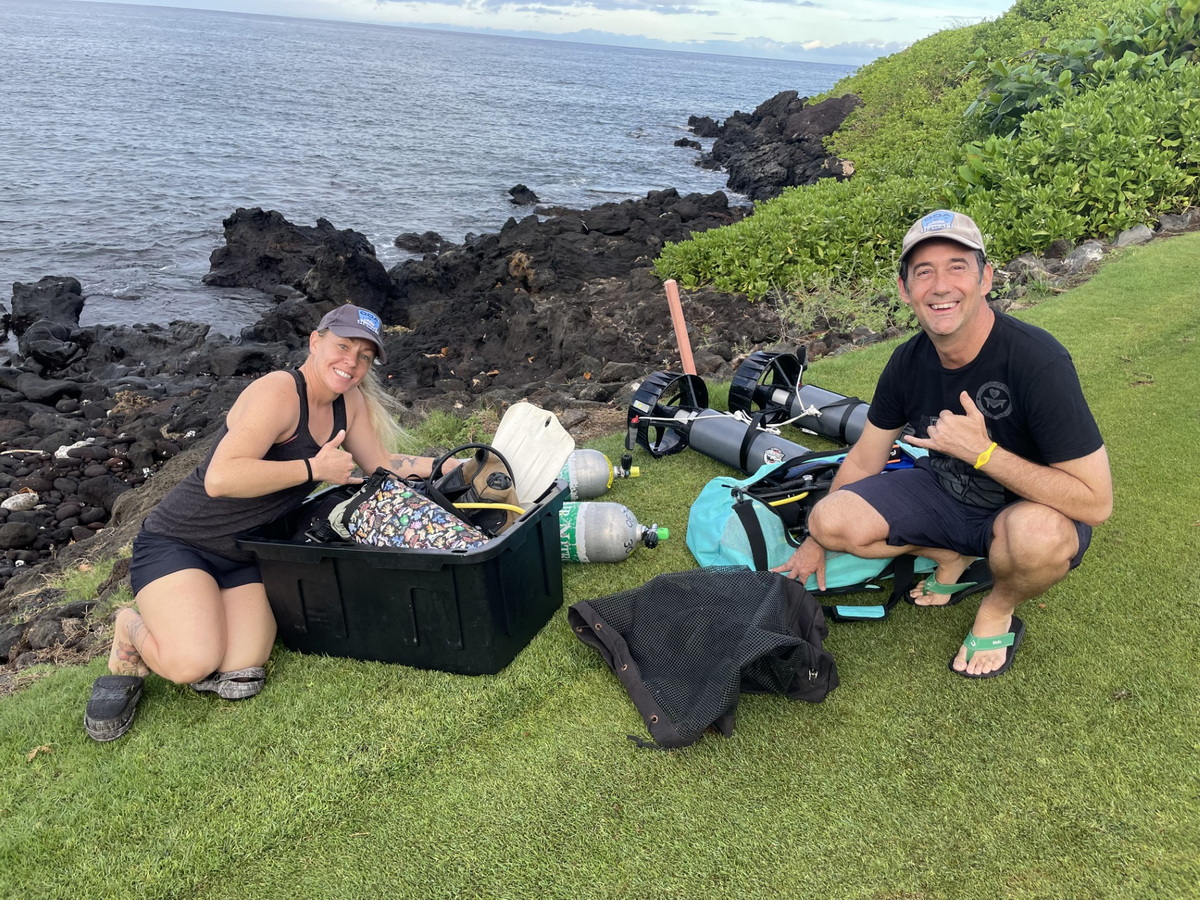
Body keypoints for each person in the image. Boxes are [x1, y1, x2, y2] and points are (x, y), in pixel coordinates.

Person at [85, 304, 449, 741]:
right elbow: (221, 478)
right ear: (315, 342)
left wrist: (456, 465)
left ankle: (199, 614)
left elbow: (382, 464)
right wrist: (314, 469)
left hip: (248, 553)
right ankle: (129, 627)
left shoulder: (348, 403)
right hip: (181, 542)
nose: (351, 362)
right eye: (343, 346)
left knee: (241, 668)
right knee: (193, 664)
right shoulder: (278, 392)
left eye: (364, 356)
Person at [774, 210, 1113, 678]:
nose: (940, 286)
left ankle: (997, 608)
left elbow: (1096, 503)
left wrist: (984, 454)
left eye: (957, 267)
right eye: (924, 272)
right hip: (945, 495)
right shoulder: (907, 362)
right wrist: (816, 541)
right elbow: (866, 458)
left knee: (1038, 538)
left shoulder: (1038, 361)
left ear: (985, 279)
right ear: (904, 289)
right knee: (829, 519)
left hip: (1024, 513)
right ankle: (949, 554)